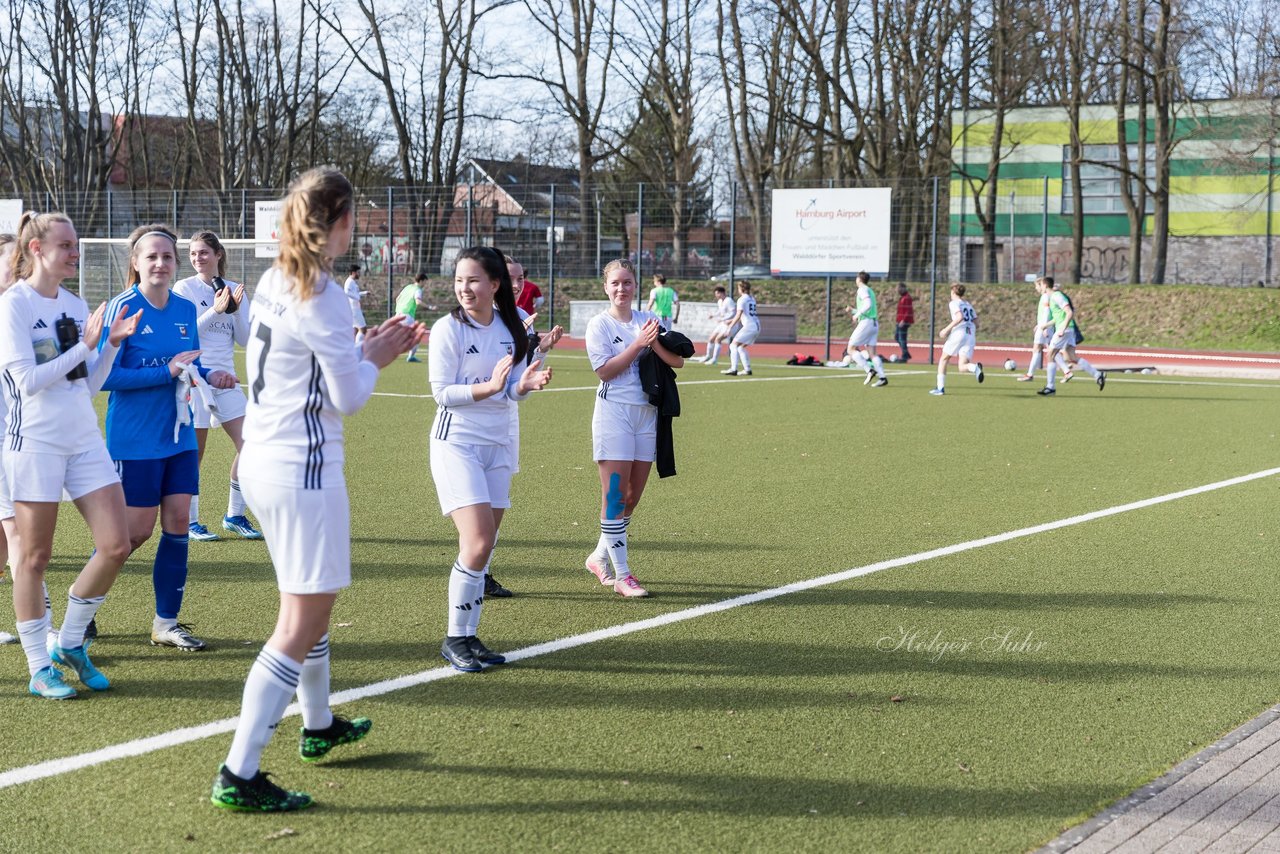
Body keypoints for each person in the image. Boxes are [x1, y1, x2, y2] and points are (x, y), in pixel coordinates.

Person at [211, 167, 421, 813]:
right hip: (303, 470)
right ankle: (239, 771)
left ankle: (319, 723)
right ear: (338, 224)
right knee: (298, 621)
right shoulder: (322, 293)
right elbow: (348, 395)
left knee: (311, 606)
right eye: (352, 217)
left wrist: (359, 348)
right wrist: (376, 355)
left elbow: (311, 368)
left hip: (263, 461)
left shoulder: (274, 279)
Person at [0, 212, 138, 698]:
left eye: (76, 244)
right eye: (66, 245)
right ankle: (39, 667)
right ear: (36, 249)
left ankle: (72, 642)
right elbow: (28, 382)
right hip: (34, 443)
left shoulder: (78, 305)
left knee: (116, 545)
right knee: (34, 558)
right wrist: (85, 345)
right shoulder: (13, 306)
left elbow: (88, 383)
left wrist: (111, 347)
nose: (74, 253)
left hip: (84, 439)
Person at [101, 224, 239, 652]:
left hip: (178, 432)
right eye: (151, 257)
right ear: (136, 264)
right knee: (132, 535)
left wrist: (210, 375)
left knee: (179, 521)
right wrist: (167, 372)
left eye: (167, 256)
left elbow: (190, 366)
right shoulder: (122, 309)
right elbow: (104, 376)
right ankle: (82, 612)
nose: (160, 263)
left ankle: (166, 623)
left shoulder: (182, 309)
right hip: (136, 437)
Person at [428, 246, 552, 669]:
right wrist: (490, 386)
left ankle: (470, 637)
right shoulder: (448, 329)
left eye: (474, 279)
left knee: (486, 543)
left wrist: (527, 384)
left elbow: (512, 387)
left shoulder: (511, 325)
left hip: (498, 444)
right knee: (477, 540)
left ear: (495, 284)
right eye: (460, 279)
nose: (465, 287)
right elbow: (443, 394)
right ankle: (453, 638)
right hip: (456, 443)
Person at [584, 259, 684, 597]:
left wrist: (652, 342)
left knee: (631, 498)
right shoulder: (598, 325)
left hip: (647, 416)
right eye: (615, 283)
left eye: (627, 282)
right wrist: (638, 343)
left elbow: (677, 361)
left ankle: (599, 556)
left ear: (635, 285)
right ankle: (624, 575)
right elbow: (605, 372)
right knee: (614, 495)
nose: (621, 289)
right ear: (605, 287)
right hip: (614, 414)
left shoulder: (648, 320)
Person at [173, 230, 261, 542]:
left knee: (252, 445)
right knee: (194, 455)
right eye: (194, 253)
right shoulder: (184, 288)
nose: (198, 258)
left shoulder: (235, 289)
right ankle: (190, 522)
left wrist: (235, 310)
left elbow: (246, 339)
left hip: (226, 381)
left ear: (218, 255)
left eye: (204, 253)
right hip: (194, 380)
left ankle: (234, 515)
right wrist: (216, 309)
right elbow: (185, 334)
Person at [485, 256, 565, 600]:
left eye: (520, 278)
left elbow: (521, 376)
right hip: (470, 424)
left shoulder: (520, 318)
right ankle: (473, 570)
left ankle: (482, 572)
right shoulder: (474, 318)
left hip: (506, 420)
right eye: (511, 278)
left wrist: (539, 348)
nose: (517, 285)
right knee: (478, 507)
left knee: (498, 502)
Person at [1037, 277, 1105, 396]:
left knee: (1050, 355)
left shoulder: (1057, 296)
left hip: (1065, 329)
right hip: (1069, 329)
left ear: (1045, 285)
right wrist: (1045, 325)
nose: (1039, 288)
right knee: (1070, 357)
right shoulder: (1053, 297)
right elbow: (1058, 317)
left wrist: (1062, 328)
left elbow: (1069, 312)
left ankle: (1050, 387)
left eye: (1040, 285)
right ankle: (1098, 375)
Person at [930, 282, 984, 395]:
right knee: (962, 367)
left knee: (944, 359)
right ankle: (975, 368)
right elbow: (977, 323)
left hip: (959, 333)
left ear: (953, 292)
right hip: (970, 335)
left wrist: (946, 329)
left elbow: (959, 317)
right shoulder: (968, 304)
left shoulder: (954, 303)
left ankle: (940, 388)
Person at [846, 271, 888, 387]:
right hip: (873, 323)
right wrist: (853, 310)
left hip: (866, 323)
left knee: (851, 349)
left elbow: (868, 304)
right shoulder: (870, 290)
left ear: (859, 279)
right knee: (872, 353)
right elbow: (868, 308)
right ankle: (882, 377)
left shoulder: (862, 289)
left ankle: (869, 370)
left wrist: (857, 314)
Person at [1017, 277, 1055, 383]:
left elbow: (1047, 312)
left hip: (1044, 327)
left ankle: (1030, 374)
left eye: (1037, 285)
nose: (1036, 288)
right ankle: (1066, 371)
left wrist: (1043, 326)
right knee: (1051, 349)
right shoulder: (1045, 296)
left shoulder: (1045, 297)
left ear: (1043, 285)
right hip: (1044, 326)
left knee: (1038, 349)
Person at [721, 280, 760, 377]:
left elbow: (739, 315)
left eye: (738, 288)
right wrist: (731, 321)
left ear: (741, 288)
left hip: (749, 326)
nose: (738, 290)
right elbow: (745, 314)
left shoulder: (741, 299)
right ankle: (747, 369)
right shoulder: (752, 298)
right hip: (757, 325)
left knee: (733, 345)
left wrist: (729, 327)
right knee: (740, 347)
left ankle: (733, 369)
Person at [690, 285, 736, 364]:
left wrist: (723, 319)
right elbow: (720, 311)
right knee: (711, 338)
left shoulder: (729, 300)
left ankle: (714, 360)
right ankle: (708, 356)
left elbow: (733, 313)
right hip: (722, 324)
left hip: (730, 324)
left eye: (717, 293)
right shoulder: (720, 301)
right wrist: (713, 315)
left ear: (722, 293)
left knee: (718, 339)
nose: (716, 295)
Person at [395, 272, 429, 362]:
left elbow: (397, 299)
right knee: (417, 335)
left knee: (398, 336)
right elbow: (418, 301)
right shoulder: (418, 290)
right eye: (425, 282)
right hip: (407, 316)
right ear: (421, 281)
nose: (425, 284)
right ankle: (411, 356)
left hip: (398, 314)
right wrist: (429, 307)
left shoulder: (408, 287)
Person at [344, 265, 367, 342]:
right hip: (354, 309)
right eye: (358, 272)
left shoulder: (352, 282)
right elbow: (346, 292)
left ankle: (353, 348)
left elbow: (355, 293)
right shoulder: (349, 282)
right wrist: (357, 298)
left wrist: (364, 293)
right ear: (353, 273)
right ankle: (358, 348)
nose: (359, 274)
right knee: (363, 329)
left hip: (354, 308)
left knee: (355, 330)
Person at [894, 283, 914, 362]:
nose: (897, 290)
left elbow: (908, 311)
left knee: (902, 338)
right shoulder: (902, 298)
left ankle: (905, 355)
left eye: (898, 289)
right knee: (897, 337)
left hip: (904, 321)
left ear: (903, 288)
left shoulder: (907, 298)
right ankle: (906, 353)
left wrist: (903, 320)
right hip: (900, 321)